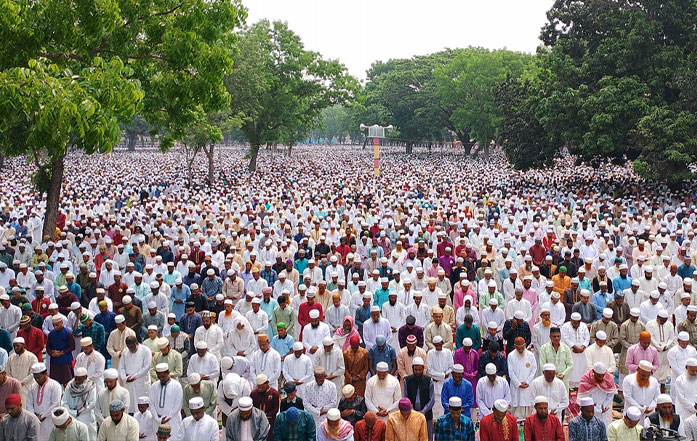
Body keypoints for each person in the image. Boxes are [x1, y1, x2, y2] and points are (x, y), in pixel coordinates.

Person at [26, 362, 62, 441]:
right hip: (35, 420)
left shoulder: (55, 385)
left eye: (39, 377)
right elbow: (28, 403)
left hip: (49, 420)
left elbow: (55, 404)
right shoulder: (32, 387)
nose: (37, 380)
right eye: (35, 378)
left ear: (46, 373)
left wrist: (42, 415)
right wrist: (34, 416)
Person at [148, 363, 182, 441]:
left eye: (163, 376)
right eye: (159, 377)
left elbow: (178, 405)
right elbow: (151, 404)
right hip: (157, 420)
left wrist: (167, 417)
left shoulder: (176, 385)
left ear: (168, 373)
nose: (161, 379)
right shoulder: (154, 386)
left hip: (172, 419)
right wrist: (157, 417)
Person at [61, 367, 97, 441]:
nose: (77, 381)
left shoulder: (91, 386)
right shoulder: (70, 385)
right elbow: (64, 402)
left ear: (85, 377)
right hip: (71, 416)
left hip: (86, 417)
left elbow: (92, 404)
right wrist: (72, 413)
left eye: (79, 379)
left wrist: (79, 412)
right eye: (75, 378)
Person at [403, 357, 435, 439]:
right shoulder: (407, 380)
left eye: (420, 370)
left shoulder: (429, 380)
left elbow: (432, 400)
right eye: (416, 369)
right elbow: (405, 398)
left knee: (427, 437)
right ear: (412, 368)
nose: (417, 372)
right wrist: (412, 410)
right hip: (411, 414)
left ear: (423, 369)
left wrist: (423, 411)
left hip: (426, 415)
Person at [577, 362, 617, 426]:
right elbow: (583, 399)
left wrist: (604, 405)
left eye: (602, 375)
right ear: (594, 372)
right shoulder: (586, 379)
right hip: (590, 410)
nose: (601, 377)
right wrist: (597, 409)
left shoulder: (608, 379)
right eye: (598, 375)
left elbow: (610, 394)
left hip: (604, 409)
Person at [118, 336, 152, 411]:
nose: (131, 349)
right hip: (128, 382)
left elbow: (147, 367)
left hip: (141, 382)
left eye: (132, 347)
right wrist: (125, 378)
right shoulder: (125, 351)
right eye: (129, 347)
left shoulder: (145, 350)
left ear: (137, 343)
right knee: (130, 405)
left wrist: (134, 377)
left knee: (142, 404)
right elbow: (121, 367)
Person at [507, 336, 537, 417]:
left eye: (522, 347)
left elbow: (534, 369)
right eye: (518, 348)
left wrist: (527, 382)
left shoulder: (530, 355)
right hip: (516, 387)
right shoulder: (511, 356)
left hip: (528, 386)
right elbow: (511, 372)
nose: (521, 350)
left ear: (525, 345)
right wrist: (518, 384)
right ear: (515, 346)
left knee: (528, 409)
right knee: (516, 409)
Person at [623, 359, 660, 425]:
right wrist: (641, 409)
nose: (645, 378)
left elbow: (657, 398)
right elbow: (627, 397)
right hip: (632, 415)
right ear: (638, 370)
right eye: (643, 375)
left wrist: (650, 407)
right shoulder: (628, 379)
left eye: (647, 375)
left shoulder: (654, 381)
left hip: (649, 414)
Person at [251, 373, 280, 441]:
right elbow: (252, 407)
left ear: (267, 383)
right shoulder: (253, 394)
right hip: (257, 421)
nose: (260, 389)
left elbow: (276, 409)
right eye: (259, 387)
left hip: (270, 421)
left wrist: (266, 416)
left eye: (262, 387)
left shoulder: (274, 393)